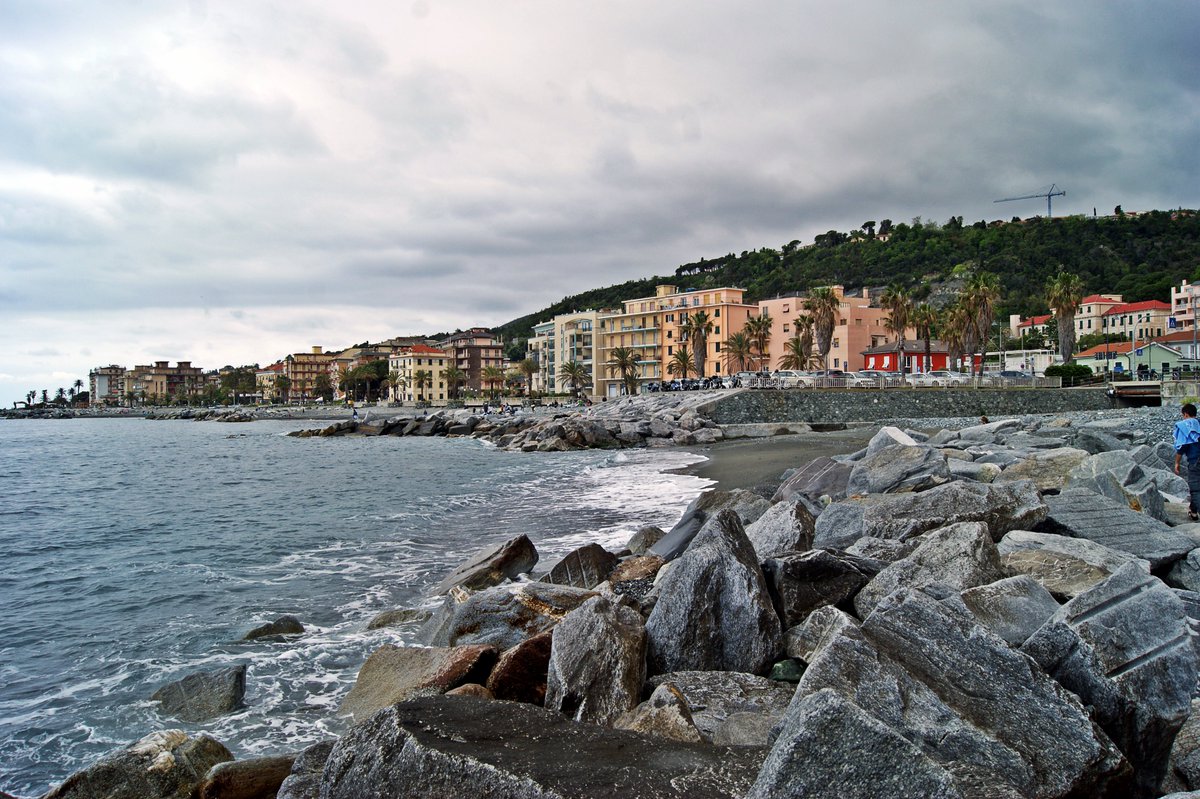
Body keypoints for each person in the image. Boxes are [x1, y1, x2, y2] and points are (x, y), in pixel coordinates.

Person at [1173, 403, 1200, 521]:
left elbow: (1182, 447)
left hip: (1195, 461)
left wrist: (1177, 463)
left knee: (1196, 489)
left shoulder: (1185, 426)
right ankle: (1193, 512)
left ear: (1185, 414)